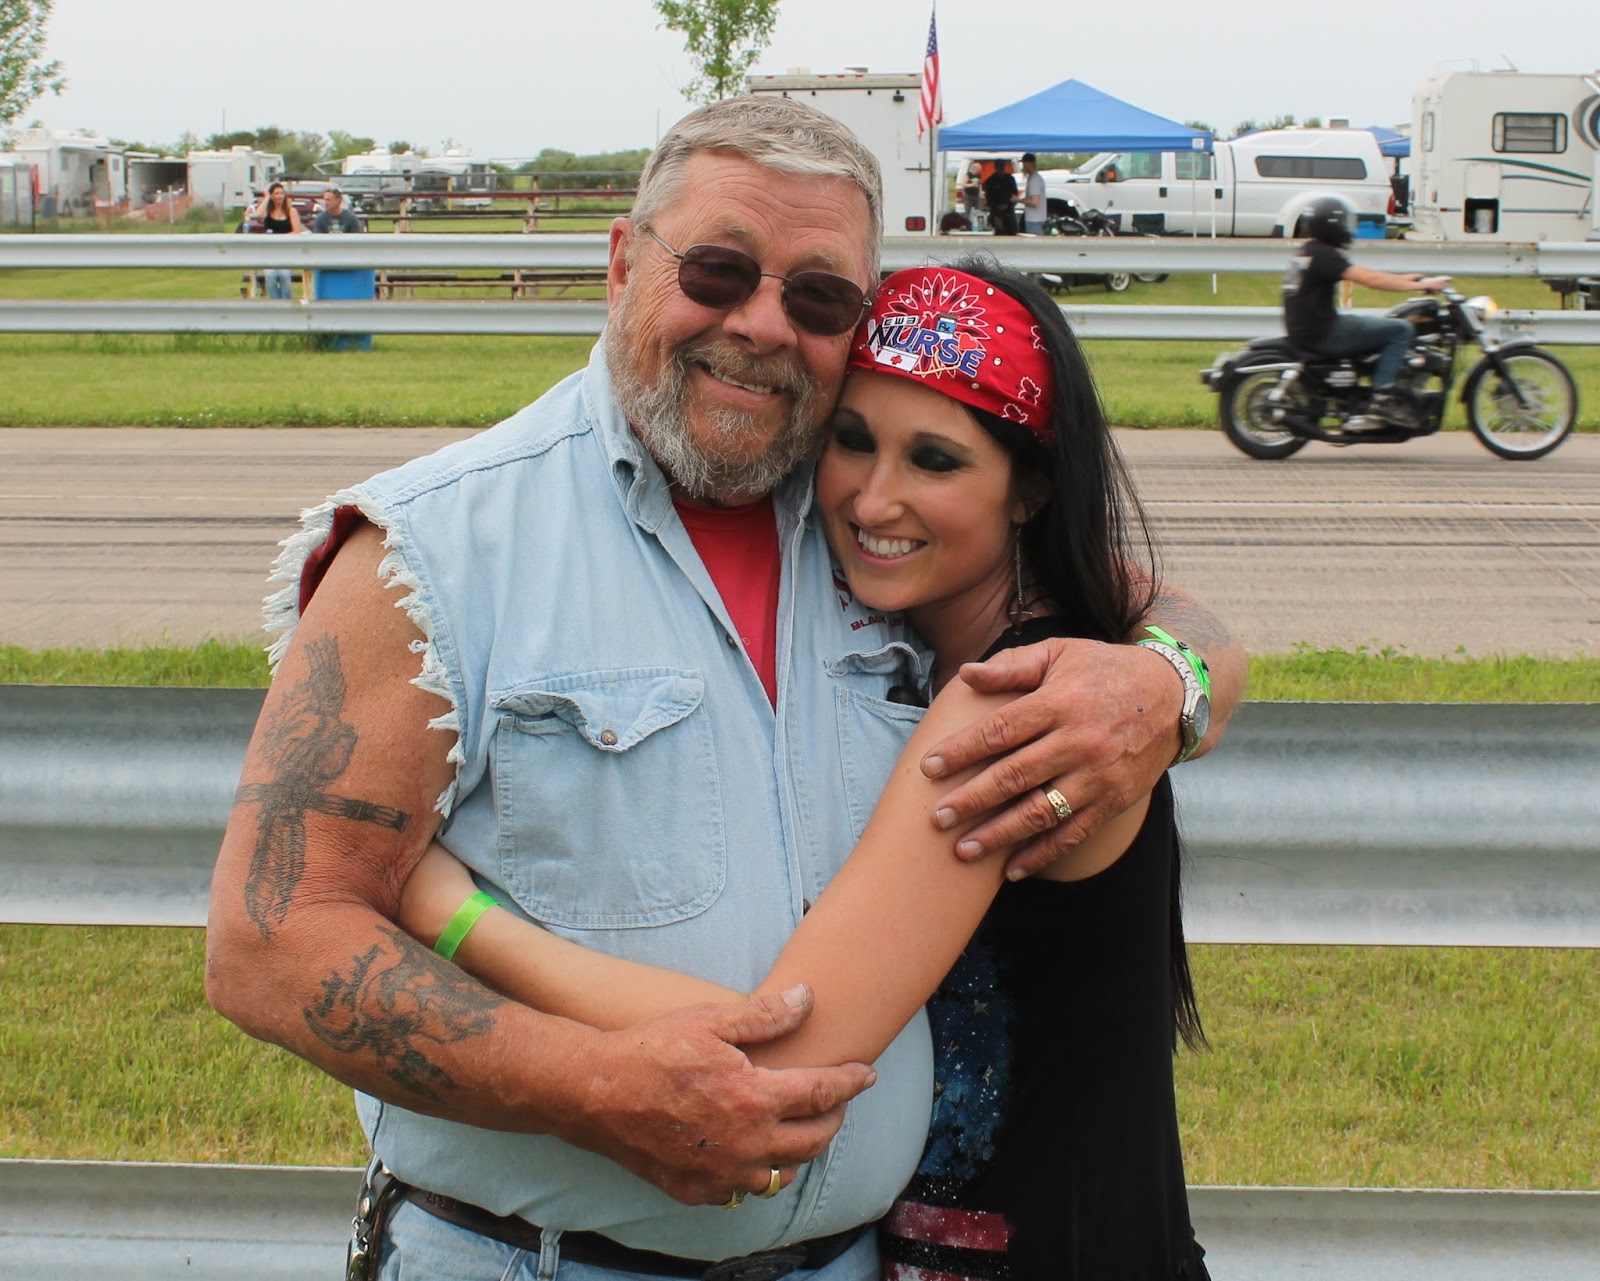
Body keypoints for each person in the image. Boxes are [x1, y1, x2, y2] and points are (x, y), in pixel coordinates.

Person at [205, 94, 1244, 1281]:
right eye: (716, 270)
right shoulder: (439, 549)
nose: (760, 325)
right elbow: (267, 940)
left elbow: (1138, 597)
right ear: (619, 263)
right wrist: (585, 1086)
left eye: (817, 298)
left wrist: (1167, 685)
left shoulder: (859, 518)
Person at [398, 256, 1213, 1280]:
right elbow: (1168, 607)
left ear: (1028, 490)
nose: (875, 498)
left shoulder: (1016, 707)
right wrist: (1179, 669)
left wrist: (454, 919)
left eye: (936, 461)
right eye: (851, 442)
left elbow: (778, 1064)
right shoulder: (1007, 649)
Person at [1282, 195, 1447, 426]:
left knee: (1382, 325)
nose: (1348, 229)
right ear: (1332, 224)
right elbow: (1370, 279)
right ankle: (1381, 400)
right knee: (1400, 329)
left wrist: (1404, 278)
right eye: (1344, 223)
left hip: (1310, 328)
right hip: (1324, 332)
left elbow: (1367, 273)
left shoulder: (1309, 251)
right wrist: (1420, 286)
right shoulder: (1325, 255)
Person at [247, 181, 304, 299]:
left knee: (284, 275)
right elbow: (258, 215)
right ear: (272, 196)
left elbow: (297, 232)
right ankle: (275, 304)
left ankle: (286, 305)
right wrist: (266, 197)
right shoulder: (268, 212)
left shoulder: (291, 211)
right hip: (270, 253)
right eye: (276, 193)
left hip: (286, 252)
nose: (279, 196)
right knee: (270, 276)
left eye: (282, 193)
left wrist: (281, 238)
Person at [982, 160, 1018, 236]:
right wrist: (996, 215)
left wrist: (1009, 205)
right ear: (995, 167)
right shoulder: (990, 181)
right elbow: (989, 199)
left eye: (1002, 166)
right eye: (999, 166)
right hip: (996, 213)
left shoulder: (1010, 179)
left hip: (1009, 211)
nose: (1001, 168)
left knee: (1013, 233)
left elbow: (1014, 195)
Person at [1018, 152, 1047, 235]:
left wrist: (1018, 200)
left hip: (1035, 220)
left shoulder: (1035, 180)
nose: (1023, 166)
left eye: (1024, 163)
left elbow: (1034, 202)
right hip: (1035, 219)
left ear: (1029, 163)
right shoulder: (1033, 178)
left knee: (1035, 246)